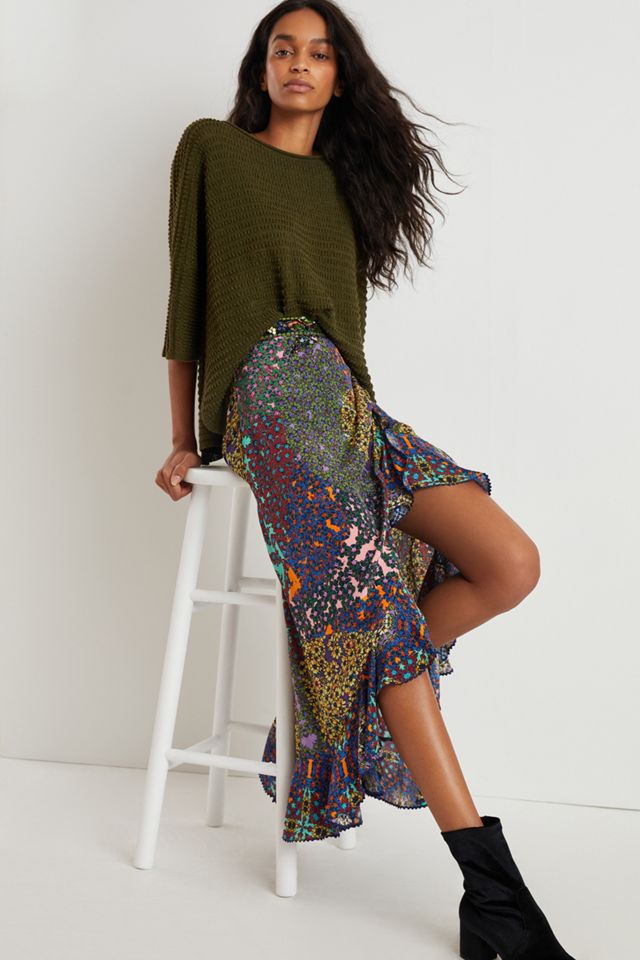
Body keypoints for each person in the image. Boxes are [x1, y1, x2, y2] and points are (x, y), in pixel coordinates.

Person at [155, 2, 577, 957]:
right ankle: (492, 891)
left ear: (341, 76)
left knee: (510, 562)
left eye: (319, 53)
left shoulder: (346, 187)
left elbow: (347, 335)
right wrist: (183, 437)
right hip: (267, 398)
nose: (299, 64)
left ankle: (332, 693)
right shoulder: (212, 150)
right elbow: (185, 303)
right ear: (261, 67)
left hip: (348, 406)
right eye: (283, 49)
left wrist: (364, 431)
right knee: (381, 612)